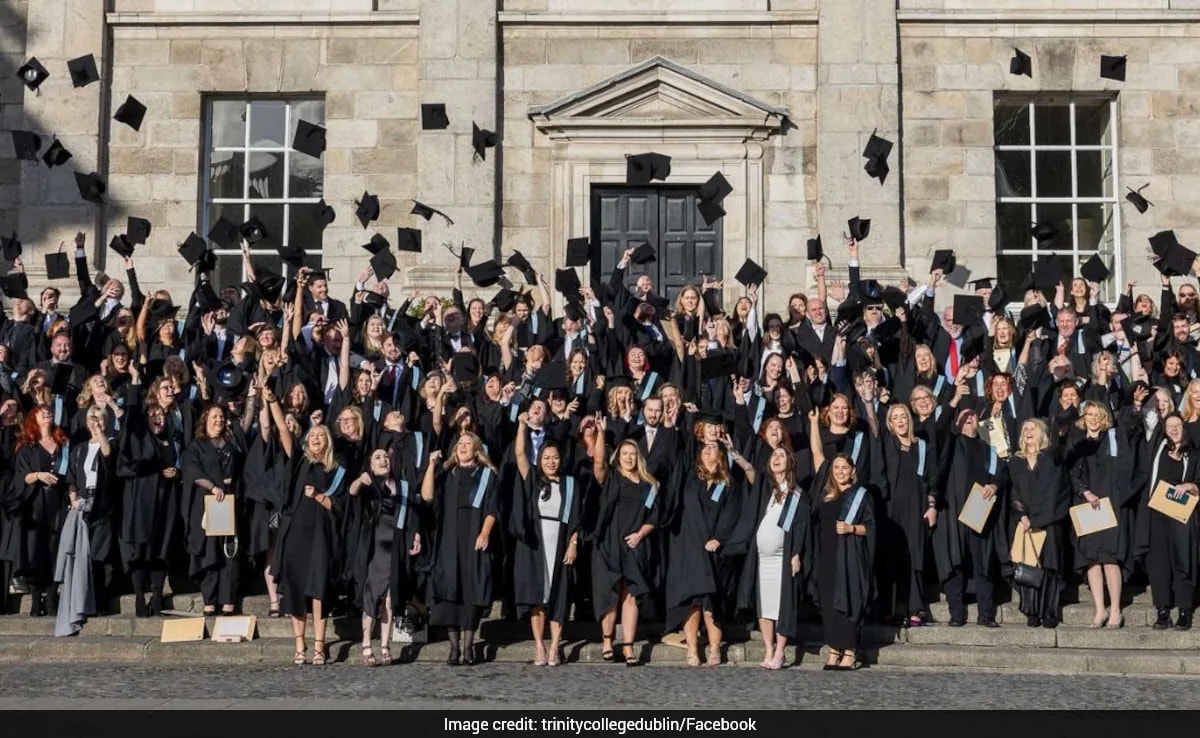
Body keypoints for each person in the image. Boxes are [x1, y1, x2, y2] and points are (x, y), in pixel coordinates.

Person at [421, 433, 499, 666]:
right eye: (460, 444)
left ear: (476, 450)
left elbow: (492, 508)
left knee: (470, 589)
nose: (463, 447)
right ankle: (454, 647)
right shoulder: (446, 473)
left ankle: (468, 647)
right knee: (448, 590)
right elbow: (427, 496)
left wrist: (485, 532)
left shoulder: (487, 475)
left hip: (473, 536)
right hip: (448, 539)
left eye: (468, 444)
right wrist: (430, 466)